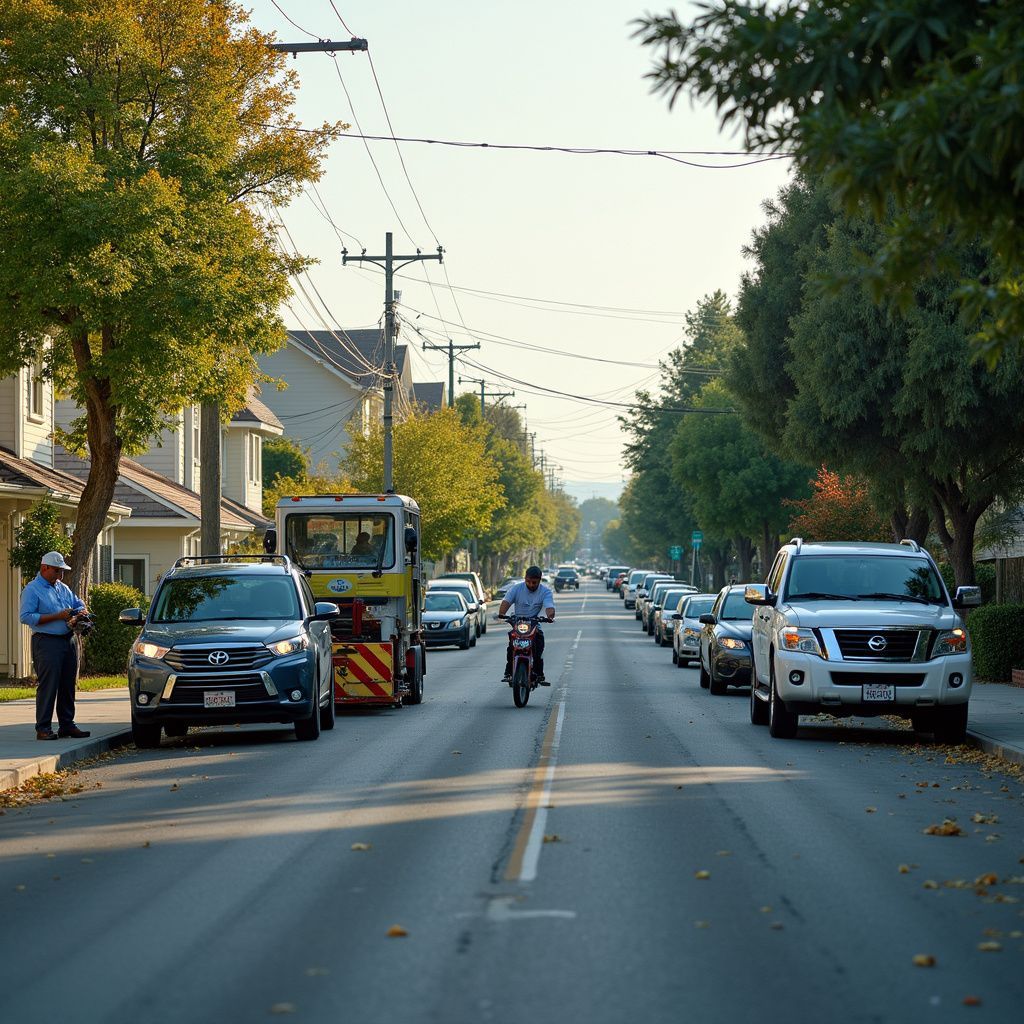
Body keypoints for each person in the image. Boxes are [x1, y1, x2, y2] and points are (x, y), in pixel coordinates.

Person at [18, 551, 90, 740]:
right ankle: (43, 728)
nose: (60, 575)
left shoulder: (62, 587)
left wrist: (81, 610)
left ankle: (67, 725)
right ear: (44, 568)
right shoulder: (32, 589)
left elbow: (77, 602)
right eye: (57, 571)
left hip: (68, 640)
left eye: (62, 572)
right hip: (46, 642)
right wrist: (57, 616)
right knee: (49, 685)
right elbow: (26, 616)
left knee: (68, 684)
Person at [498, 565, 555, 685]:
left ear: (539, 580)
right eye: (528, 581)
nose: (531, 585)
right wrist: (502, 614)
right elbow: (506, 601)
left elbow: (549, 606)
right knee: (511, 646)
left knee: (539, 644)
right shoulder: (516, 588)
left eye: (534, 582)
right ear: (525, 579)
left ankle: (539, 674)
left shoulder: (545, 592)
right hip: (518, 623)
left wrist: (550, 616)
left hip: (534, 623)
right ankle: (509, 672)